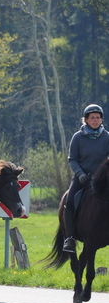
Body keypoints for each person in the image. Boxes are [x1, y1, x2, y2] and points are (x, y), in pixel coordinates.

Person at [63, 103, 109, 252]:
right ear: (86, 120)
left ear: (101, 120)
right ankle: (69, 238)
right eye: (92, 118)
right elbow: (72, 159)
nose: (95, 120)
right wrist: (80, 174)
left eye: (98, 118)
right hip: (82, 177)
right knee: (69, 200)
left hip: (101, 179)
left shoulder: (107, 137)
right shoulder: (78, 137)